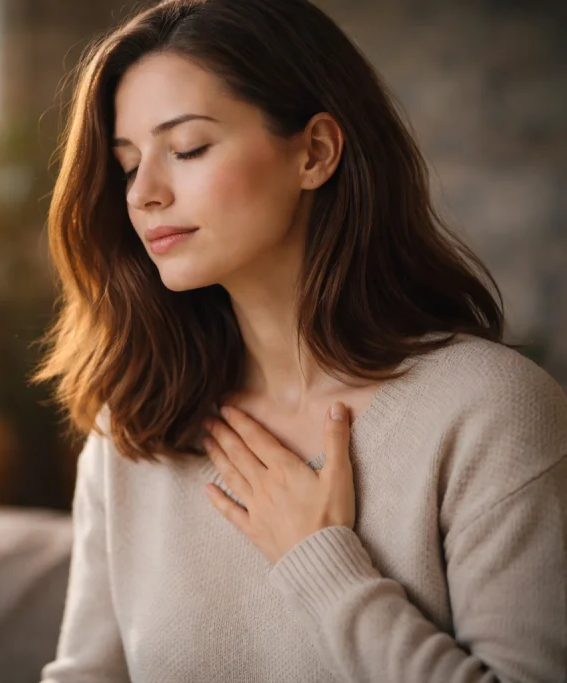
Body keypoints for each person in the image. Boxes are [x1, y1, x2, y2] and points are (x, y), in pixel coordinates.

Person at [32, 0, 567, 681]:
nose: (145, 193)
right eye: (128, 163)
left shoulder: (489, 410)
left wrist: (322, 562)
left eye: (188, 148)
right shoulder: (134, 424)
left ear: (314, 152)